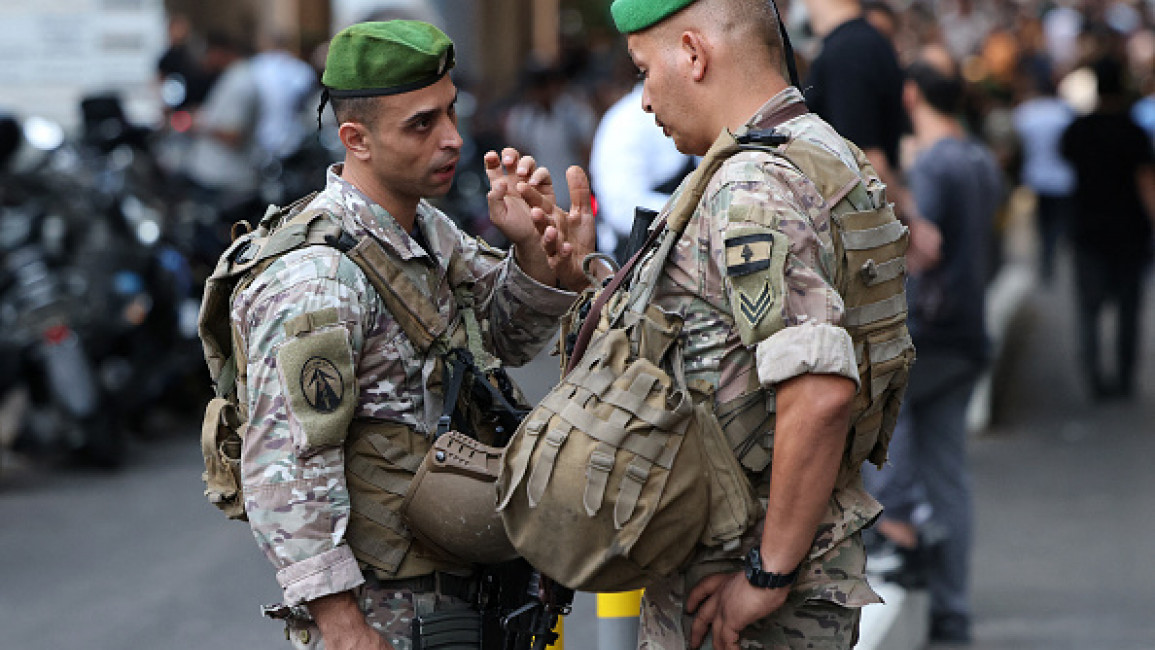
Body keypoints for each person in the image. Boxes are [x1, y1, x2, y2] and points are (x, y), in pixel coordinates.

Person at [539, 0, 913, 647]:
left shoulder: (750, 187)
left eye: (641, 71)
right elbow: (719, 338)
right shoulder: (816, 150)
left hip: (737, 582)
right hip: (788, 550)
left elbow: (818, 391)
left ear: (692, 53)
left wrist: (764, 576)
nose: (644, 102)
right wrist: (588, 280)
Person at [227, 21, 586, 649]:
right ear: (355, 139)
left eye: (451, 112)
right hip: (385, 605)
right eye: (421, 125)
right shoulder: (318, 277)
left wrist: (533, 254)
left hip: (460, 583)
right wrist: (340, 626)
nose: (452, 139)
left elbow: (506, 339)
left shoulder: (426, 229)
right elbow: (285, 468)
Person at [863, 45, 1001, 644]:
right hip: (969, 333)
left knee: (870, 437)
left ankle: (905, 533)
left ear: (912, 96)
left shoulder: (935, 166)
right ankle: (952, 609)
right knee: (949, 475)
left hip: (926, 333)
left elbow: (928, 242)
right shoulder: (980, 159)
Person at [802, 0, 943, 274]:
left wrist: (906, 223)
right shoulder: (859, 43)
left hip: (861, 254)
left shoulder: (849, 49)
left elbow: (866, 159)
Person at [1061, 55, 1155, 401]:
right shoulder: (1133, 131)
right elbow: (1146, 183)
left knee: (1089, 311)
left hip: (1088, 231)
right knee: (1129, 311)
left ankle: (1093, 379)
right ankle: (1125, 378)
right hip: (1130, 234)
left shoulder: (1078, 129)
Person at [589, 81, 696, 261]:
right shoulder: (626, 122)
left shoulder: (688, 113)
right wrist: (696, 215)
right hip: (637, 258)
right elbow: (621, 208)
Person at [1012, 63, 1076, 285]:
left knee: (1043, 222)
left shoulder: (1026, 112)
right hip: (1063, 178)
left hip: (1036, 177)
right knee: (1060, 222)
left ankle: (1046, 261)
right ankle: (1055, 258)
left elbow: (1016, 145)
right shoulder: (1065, 111)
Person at [185, 32, 260, 196]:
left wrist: (198, 123)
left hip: (227, 180)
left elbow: (234, 135)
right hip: (216, 176)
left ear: (219, 52)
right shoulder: (232, 76)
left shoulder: (241, 82)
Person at [250, 31, 319, 160]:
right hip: (291, 139)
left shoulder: (254, 67)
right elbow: (309, 104)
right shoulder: (300, 69)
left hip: (259, 140)